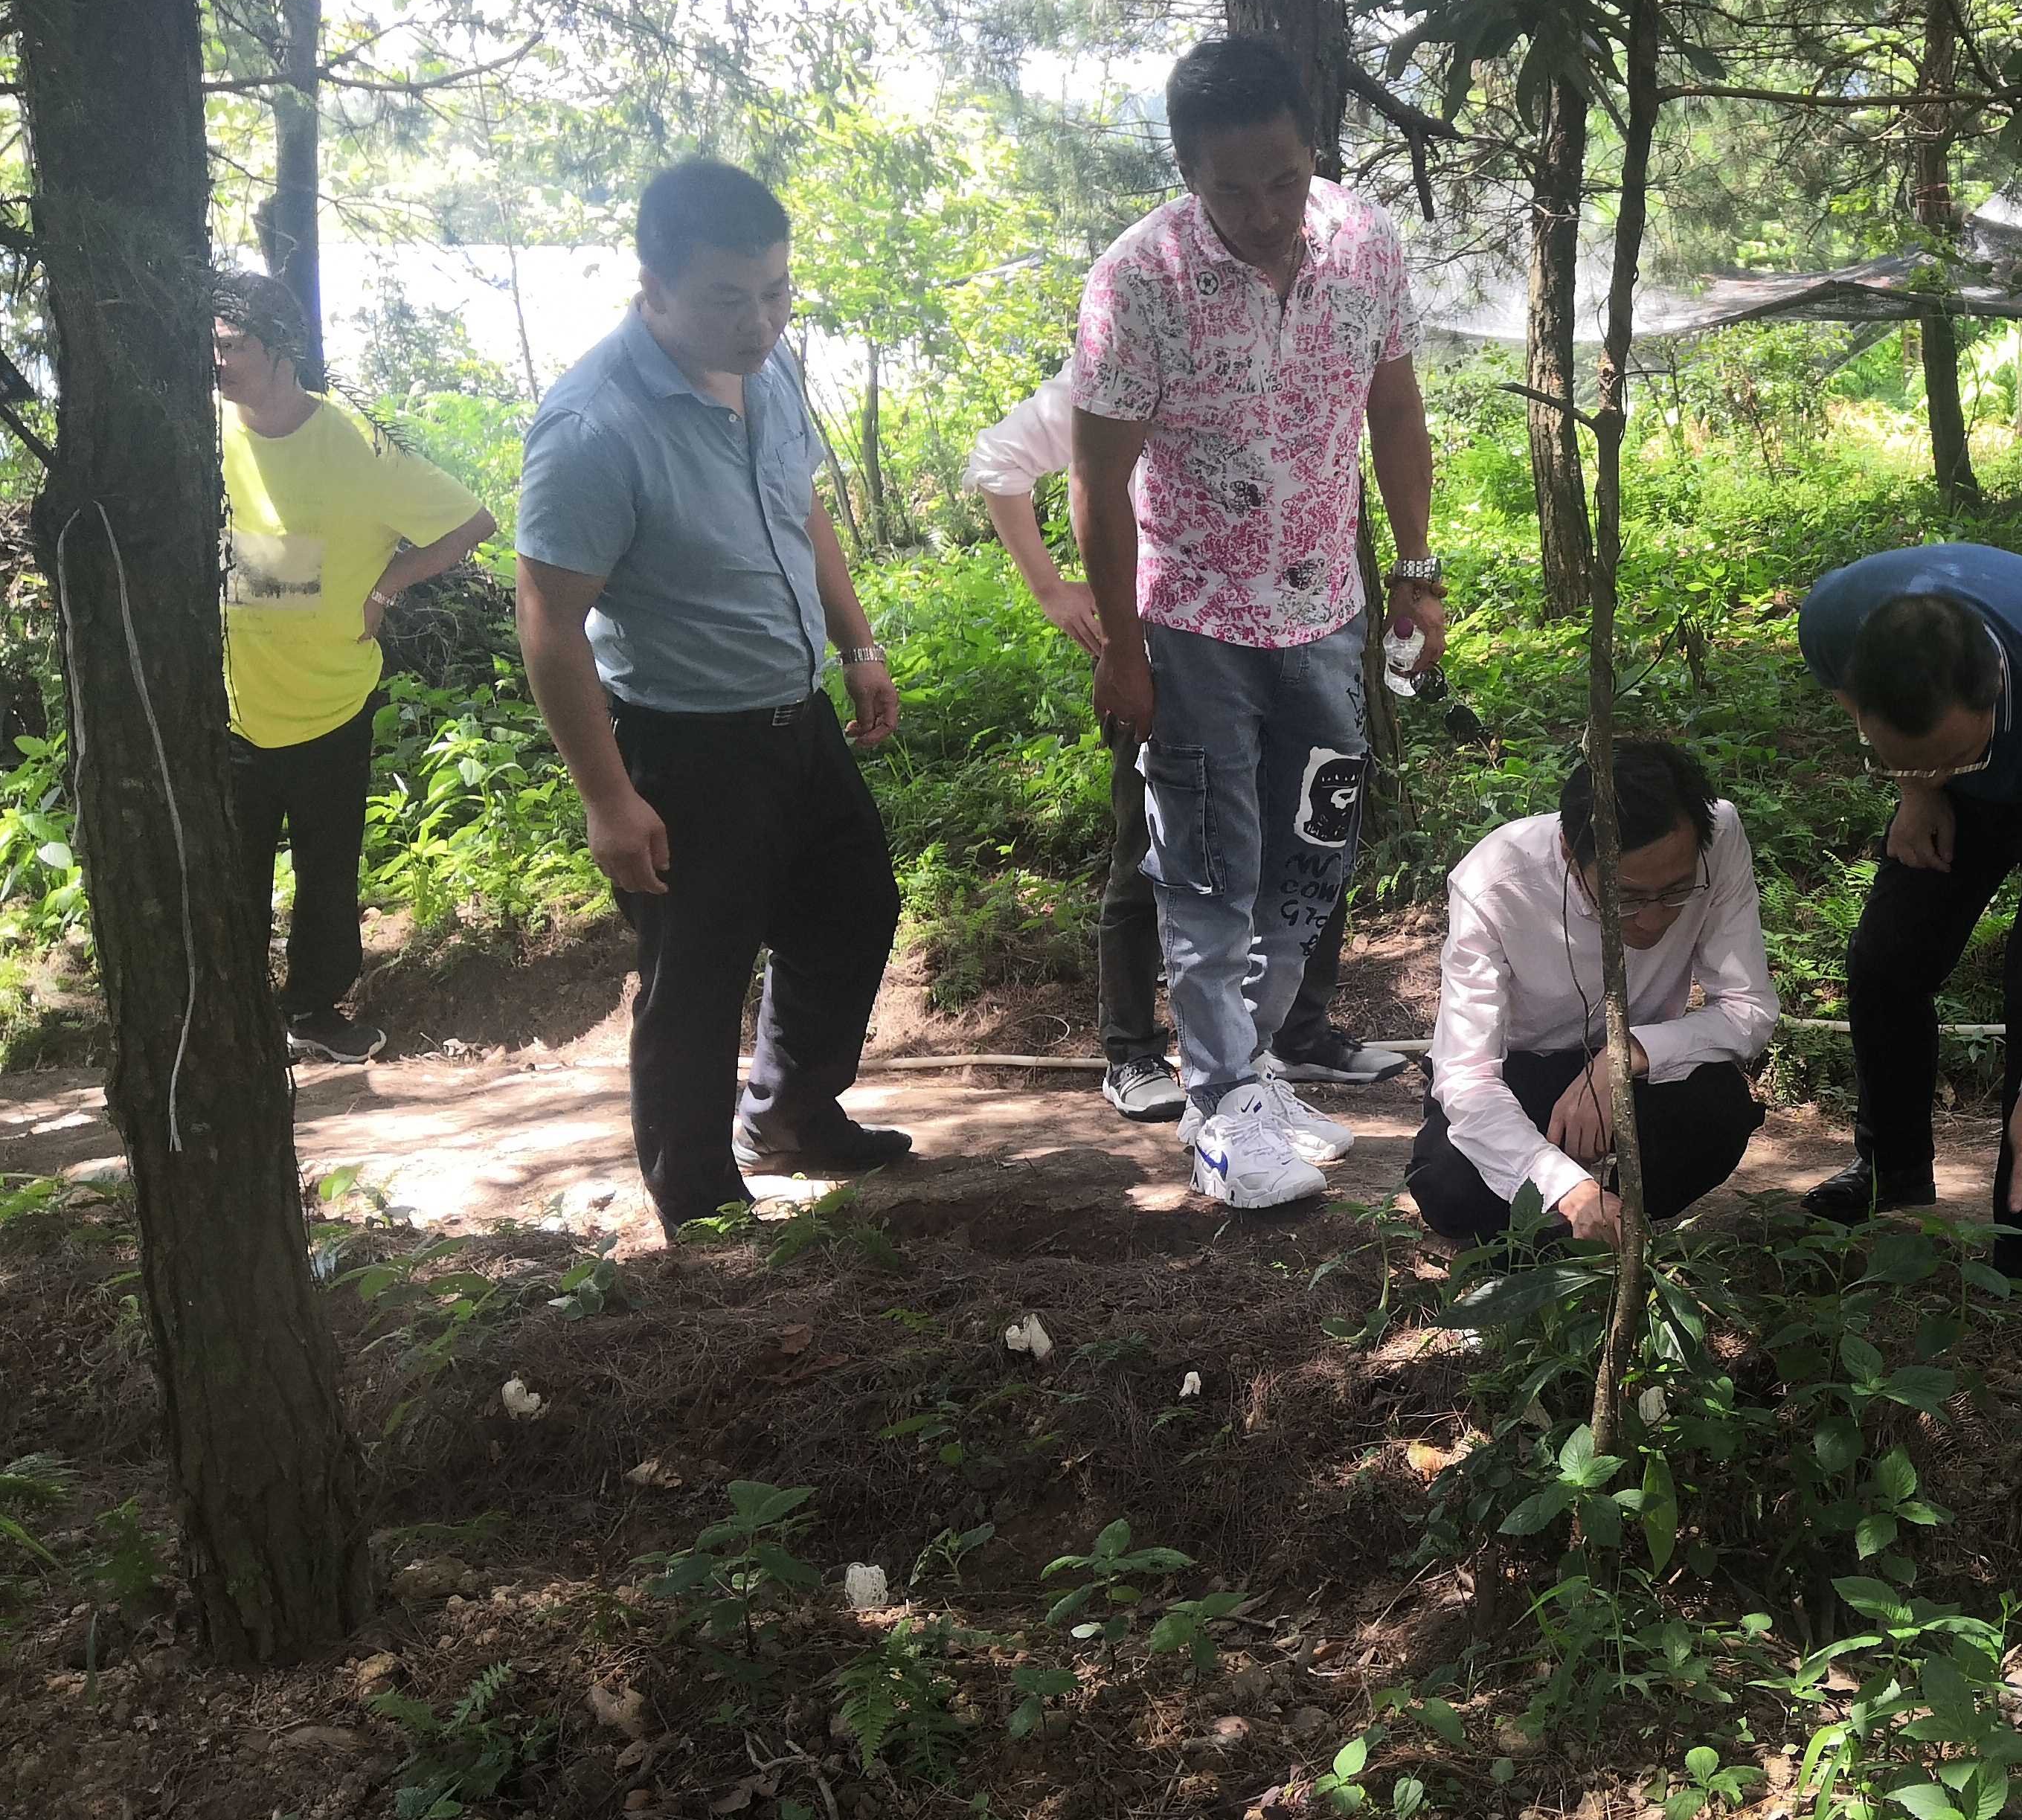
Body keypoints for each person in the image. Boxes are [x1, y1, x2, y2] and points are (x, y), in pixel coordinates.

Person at [1072, 34, 1445, 1212]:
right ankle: (1220, 1113)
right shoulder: (1139, 281)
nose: (1265, 211)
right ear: (1187, 171)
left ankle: (1262, 1070)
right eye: (1232, 189)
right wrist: (1123, 650)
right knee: (1207, 868)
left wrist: (1418, 574)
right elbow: (1097, 478)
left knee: (1314, 855)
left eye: (1285, 178)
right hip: (1192, 629)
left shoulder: (1367, 243)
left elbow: (1395, 410)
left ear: (1312, 148)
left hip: (1326, 616)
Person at [516, 158, 911, 1229]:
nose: (760, 322)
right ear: (652, 286)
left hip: (797, 715)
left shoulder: (769, 372)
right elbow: (548, 619)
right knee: (696, 972)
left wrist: (858, 642)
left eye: (776, 292)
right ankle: (697, 1204)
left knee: (854, 910)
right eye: (728, 299)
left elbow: (802, 509)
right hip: (685, 745)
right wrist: (608, 798)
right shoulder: (593, 428)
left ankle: (788, 1116)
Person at [963, 364, 1403, 1126]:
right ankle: (1133, 1052)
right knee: (1160, 849)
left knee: (1308, 839)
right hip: (1169, 652)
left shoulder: (1313, 338)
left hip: (1305, 641)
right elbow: (999, 461)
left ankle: (1292, 1035)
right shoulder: (1129, 362)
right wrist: (1054, 592)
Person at [1797, 542, 2022, 1298]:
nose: (1934, 769)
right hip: (1956, 769)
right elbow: (1859, 705)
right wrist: (1921, 789)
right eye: (1901, 756)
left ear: (1995, 688)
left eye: (1955, 757)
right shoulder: (1833, 619)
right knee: (1887, 958)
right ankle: (1892, 1169)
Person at [211, 271, 496, 1061]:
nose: (217, 362)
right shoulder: (202, 431)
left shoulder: (356, 443)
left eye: (232, 346)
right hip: (228, 708)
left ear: (282, 348)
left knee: (328, 872)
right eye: (211, 345)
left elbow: (471, 520)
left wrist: (384, 587)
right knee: (229, 874)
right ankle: (236, 1021)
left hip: (331, 701)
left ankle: (313, 1010)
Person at [1406, 737, 1774, 1246]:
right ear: (1569, 852)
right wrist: (1565, 1187)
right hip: (1522, 1068)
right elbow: (1468, 1076)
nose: (1653, 920)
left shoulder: (1719, 835)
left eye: (1676, 891)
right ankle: (1566, 1234)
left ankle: (1625, 1224)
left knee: (1717, 1114)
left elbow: (1748, 1008)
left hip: (1643, 1065)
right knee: (1450, 1183)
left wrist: (1624, 1055)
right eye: (1626, 896)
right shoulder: (1494, 881)